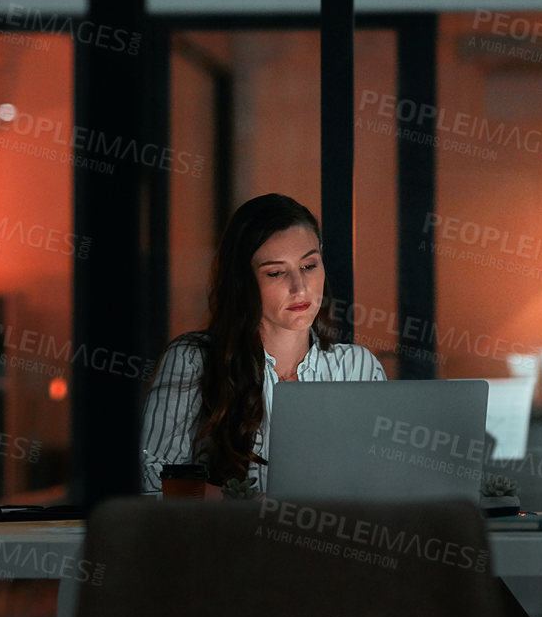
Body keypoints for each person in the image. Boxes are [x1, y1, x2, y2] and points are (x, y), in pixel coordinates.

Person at [141, 193, 384, 494]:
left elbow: (382, 486)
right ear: (243, 281)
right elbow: (151, 476)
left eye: (309, 266)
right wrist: (239, 506)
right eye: (276, 272)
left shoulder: (357, 368)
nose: (300, 288)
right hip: (231, 538)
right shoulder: (195, 360)